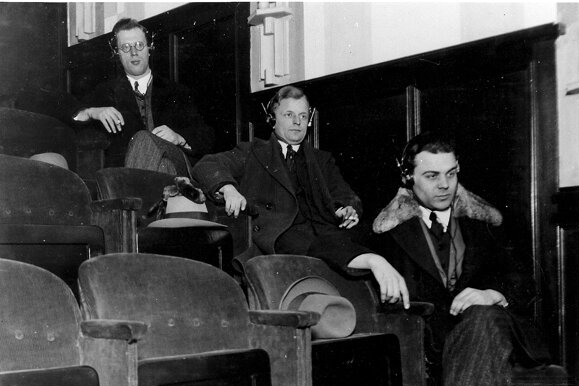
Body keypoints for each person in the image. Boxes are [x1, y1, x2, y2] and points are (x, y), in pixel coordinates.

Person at [371, 132, 549, 386]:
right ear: (408, 177)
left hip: (488, 327)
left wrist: (491, 294)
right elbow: (326, 245)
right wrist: (376, 261)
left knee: (483, 317)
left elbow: (526, 280)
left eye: (451, 174)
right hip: (428, 342)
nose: (445, 185)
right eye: (432, 176)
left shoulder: (483, 222)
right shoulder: (390, 229)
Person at [194, 85, 408, 304]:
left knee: (378, 238)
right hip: (279, 237)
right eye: (289, 115)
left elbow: (346, 196)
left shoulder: (322, 160)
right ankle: (370, 261)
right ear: (272, 119)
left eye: (303, 116)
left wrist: (348, 209)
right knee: (319, 242)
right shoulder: (252, 152)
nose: (297, 122)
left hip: (324, 232)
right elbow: (207, 165)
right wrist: (228, 189)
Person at [71, 18, 214, 174]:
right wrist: (92, 112)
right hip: (135, 172)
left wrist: (179, 137)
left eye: (139, 45)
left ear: (149, 48)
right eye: (125, 47)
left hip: (174, 165)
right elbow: (74, 119)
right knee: (149, 152)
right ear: (117, 53)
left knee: (145, 140)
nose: (134, 52)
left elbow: (206, 137)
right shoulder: (106, 92)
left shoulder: (176, 91)